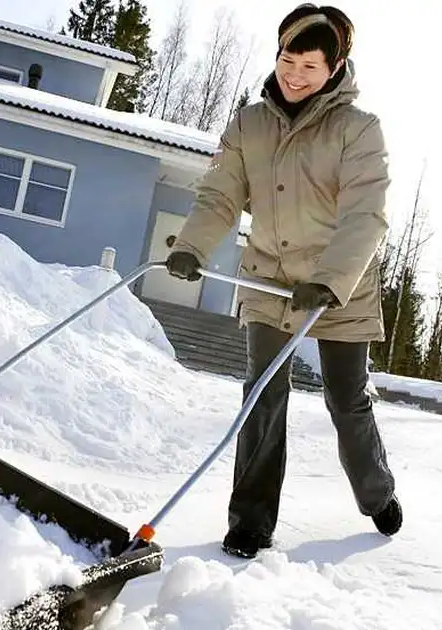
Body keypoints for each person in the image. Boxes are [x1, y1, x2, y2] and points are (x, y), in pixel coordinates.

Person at [165, 3, 402, 559]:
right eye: (288, 59)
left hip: (338, 287)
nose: (295, 75)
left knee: (346, 401)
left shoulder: (359, 130)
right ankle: (250, 522)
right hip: (271, 277)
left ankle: (377, 493)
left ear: (336, 68)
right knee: (263, 395)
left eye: (311, 66)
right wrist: (193, 245)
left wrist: (330, 278)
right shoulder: (249, 124)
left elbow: (365, 214)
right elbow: (221, 193)